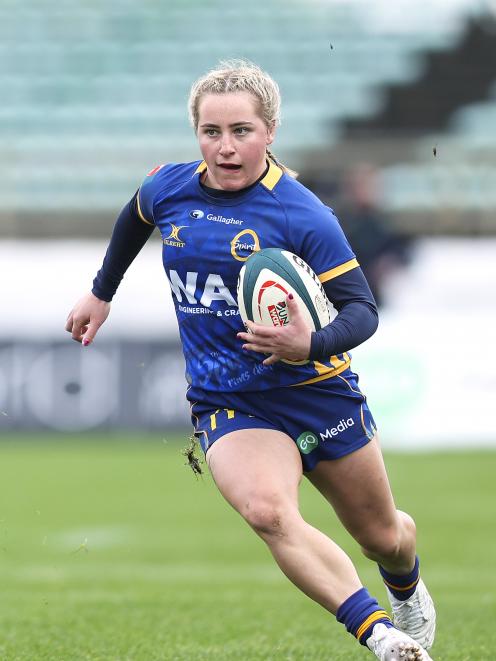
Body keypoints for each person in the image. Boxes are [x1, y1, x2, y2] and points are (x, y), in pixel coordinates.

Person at [66, 60, 436, 661]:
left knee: (383, 536)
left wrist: (308, 345)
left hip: (316, 391)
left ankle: (406, 582)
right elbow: (135, 215)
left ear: (270, 133)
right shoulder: (170, 187)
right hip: (229, 399)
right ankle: (381, 636)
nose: (225, 147)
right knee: (268, 512)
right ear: (196, 135)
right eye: (211, 132)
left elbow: (362, 311)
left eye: (241, 131)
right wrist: (101, 291)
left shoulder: (303, 214)